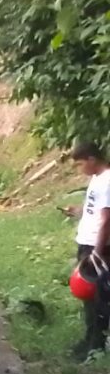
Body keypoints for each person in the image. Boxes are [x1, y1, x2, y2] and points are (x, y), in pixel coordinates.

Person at [71, 142, 110, 357]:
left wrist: (97, 252)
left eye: (80, 164)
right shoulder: (96, 179)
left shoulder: (108, 181)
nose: (80, 169)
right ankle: (89, 339)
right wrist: (77, 212)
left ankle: (96, 344)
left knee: (97, 295)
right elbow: (94, 211)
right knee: (86, 293)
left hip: (98, 247)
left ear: (92, 159)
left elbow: (106, 220)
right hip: (86, 242)